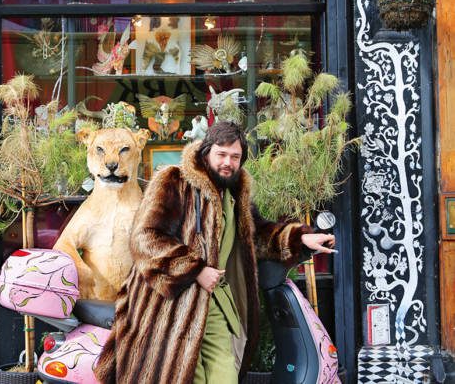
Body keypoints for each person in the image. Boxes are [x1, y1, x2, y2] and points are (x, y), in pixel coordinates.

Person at [94, 121, 335, 384]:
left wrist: (301, 238)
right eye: (221, 154)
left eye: (235, 157)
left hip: (216, 302)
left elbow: (258, 236)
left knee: (225, 375)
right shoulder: (174, 181)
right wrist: (195, 270)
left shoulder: (234, 194)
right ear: (206, 151)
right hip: (171, 307)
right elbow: (146, 239)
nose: (227, 163)